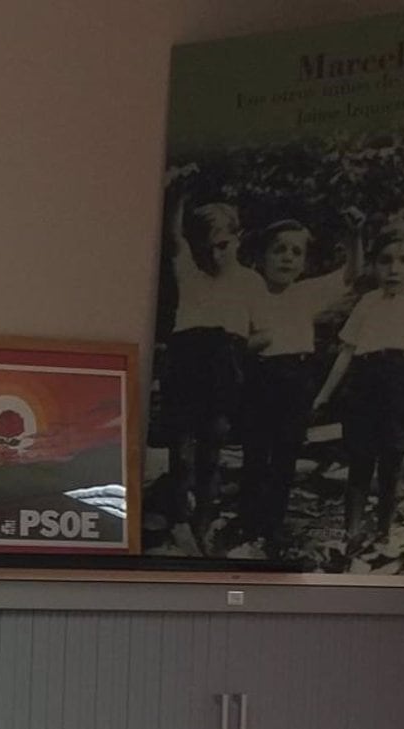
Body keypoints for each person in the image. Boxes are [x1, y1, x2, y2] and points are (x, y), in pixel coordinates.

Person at [239, 214, 360, 553]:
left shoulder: (308, 292)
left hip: (296, 380)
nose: (287, 258)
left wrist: (354, 237)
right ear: (260, 258)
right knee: (255, 453)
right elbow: (235, 340)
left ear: (304, 262)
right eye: (279, 250)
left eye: (296, 252)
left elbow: (351, 275)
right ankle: (250, 523)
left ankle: (273, 526)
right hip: (260, 378)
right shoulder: (249, 289)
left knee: (285, 455)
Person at [161, 189, 263, 554]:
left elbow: (264, 332)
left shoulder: (250, 281)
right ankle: (178, 518)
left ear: (238, 239)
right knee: (182, 448)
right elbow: (175, 238)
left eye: (223, 245)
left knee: (212, 449)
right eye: (207, 247)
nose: (215, 254)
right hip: (187, 361)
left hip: (224, 365)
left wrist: (232, 351)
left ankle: (204, 521)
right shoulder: (189, 271)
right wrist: (179, 196)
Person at [312, 217, 404, 557]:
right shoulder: (367, 302)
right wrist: (323, 395)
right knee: (359, 462)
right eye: (385, 261)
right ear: (373, 265)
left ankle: (383, 533)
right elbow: (346, 353)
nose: (394, 269)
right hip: (364, 387)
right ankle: (352, 532)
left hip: (401, 387)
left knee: (391, 465)